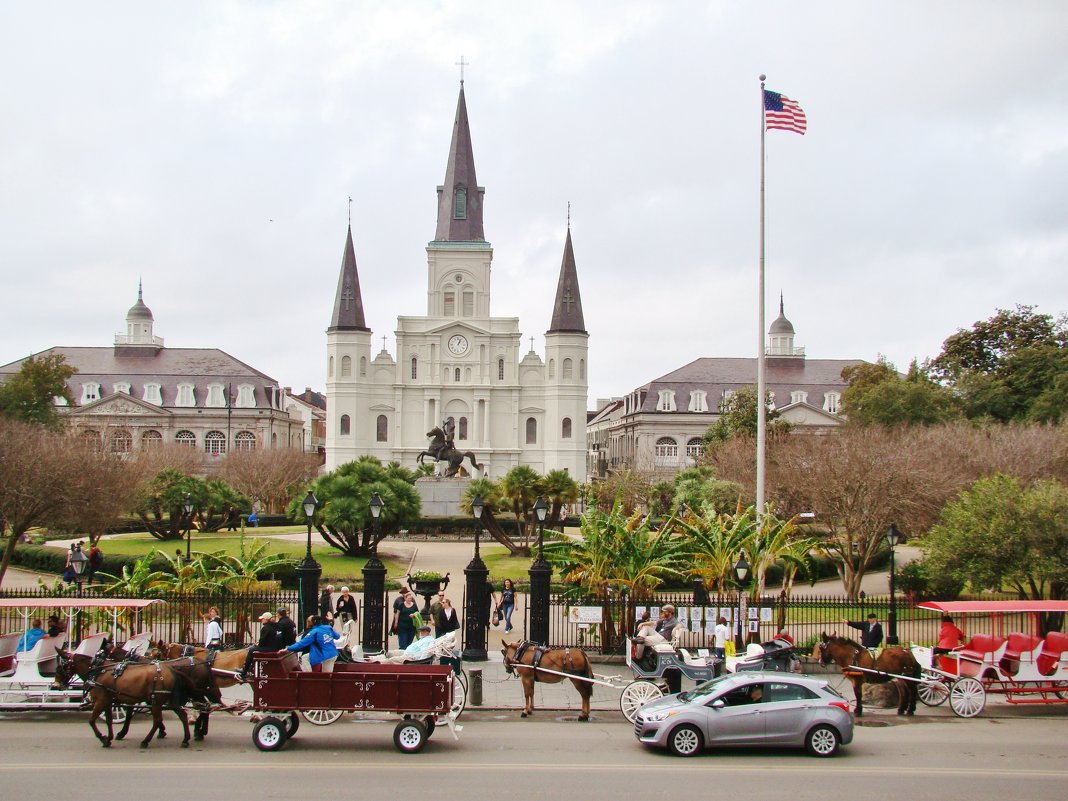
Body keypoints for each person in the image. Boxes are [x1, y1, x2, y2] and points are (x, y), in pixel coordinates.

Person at [238, 611, 284, 680]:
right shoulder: (277, 626)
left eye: (262, 619)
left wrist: (258, 644)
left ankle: (244, 671)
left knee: (251, 650)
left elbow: (262, 642)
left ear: (266, 619)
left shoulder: (265, 628)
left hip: (270, 648)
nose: (261, 620)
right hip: (276, 647)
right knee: (254, 648)